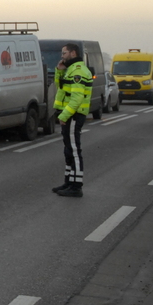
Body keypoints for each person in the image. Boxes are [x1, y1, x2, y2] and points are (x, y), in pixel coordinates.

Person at [51, 43, 93, 198]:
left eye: (64, 53)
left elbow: (76, 99)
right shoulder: (70, 70)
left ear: (73, 53)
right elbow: (61, 88)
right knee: (68, 150)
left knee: (74, 151)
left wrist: (64, 116)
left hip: (73, 115)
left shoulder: (78, 72)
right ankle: (69, 181)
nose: (62, 56)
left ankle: (76, 186)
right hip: (69, 115)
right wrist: (58, 72)